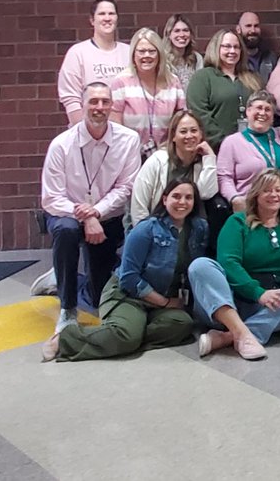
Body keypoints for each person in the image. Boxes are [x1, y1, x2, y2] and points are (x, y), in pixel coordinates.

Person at [42, 177, 207, 362]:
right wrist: (166, 303)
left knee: (182, 325)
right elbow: (129, 278)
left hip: (161, 299)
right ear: (165, 199)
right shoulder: (146, 229)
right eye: (176, 196)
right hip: (129, 296)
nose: (182, 202)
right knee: (127, 334)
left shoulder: (199, 229)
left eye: (188, 197)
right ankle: (66, 340)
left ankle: (127, 337)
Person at [40, 82, 141, 332]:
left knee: (98, 298)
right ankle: (68, 307)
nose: (99, 107)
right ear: (83, 105)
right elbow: (51, 198)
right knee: (66, 231)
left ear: (111, 105)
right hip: (66, 214)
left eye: (105, 102)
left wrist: (96, 211)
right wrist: (85, 215)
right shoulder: (61, 144)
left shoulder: (128, 140)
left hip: (107, 217)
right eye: (93, 102)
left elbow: (126, 187)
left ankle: (63, 278)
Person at [187, 169, 280, 359]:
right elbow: (228, 263)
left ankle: (228, 337)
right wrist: (258, 293)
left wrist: (271, 296)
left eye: (278, 190)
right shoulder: (237, 222)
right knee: (201, 265)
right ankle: (243, 335)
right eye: (267, 190)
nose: (274, 195)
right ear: (256, 194)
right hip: (227, 302)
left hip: (270, 302)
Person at [217, 90, 280, 220]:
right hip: (253, 205)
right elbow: (224, 177)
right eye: (259, 108)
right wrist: (234, 198)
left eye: (268, 109)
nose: (262, 113)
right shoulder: (232, 142)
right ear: (248, 111)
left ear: (273, 116)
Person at [129, 110, 218, 225]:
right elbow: (139, 207)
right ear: (173, 136)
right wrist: (146, 235)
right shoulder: (157, 161)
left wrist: (210, 157)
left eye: (194, 131)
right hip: (153, 229)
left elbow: (205, 194)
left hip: (188, 229)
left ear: (201, 134)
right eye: (183, 131)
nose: (189, 136)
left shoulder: (203, 163)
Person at [110, 27, 187, 158]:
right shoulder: (121, 82)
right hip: (130, 156)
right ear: (133, 55)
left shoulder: (173, 82)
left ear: (159, 54)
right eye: (141, 51)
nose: (146, 55)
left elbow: (181, 120)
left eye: (152, 51)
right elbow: (115, 127)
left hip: (166, 157)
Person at [57, 0, 131, 125]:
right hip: (89, 132)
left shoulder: (129, 52)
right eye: (102, 14)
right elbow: (70, 97)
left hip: (125, 133)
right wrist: (83, 130)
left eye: (111, 14)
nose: (107, 18)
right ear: (92, 20)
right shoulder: (77, 53)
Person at [185, 29, 261, 151]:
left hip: (254, 147)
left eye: (236, 47)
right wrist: (224, 142)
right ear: (216, 48)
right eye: (227, 46)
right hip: (216, 148)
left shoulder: (253, 78)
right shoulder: (203, 77)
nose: (232, 51)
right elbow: (199, 114)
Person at [162, 14, 201, 91]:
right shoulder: (162, 58)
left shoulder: (197, 58)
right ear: (169, 34)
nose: (182, 35)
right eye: (177, 31)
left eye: (186, 30)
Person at [237, 11, 277, 84]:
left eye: (256, 26)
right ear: (238, 29)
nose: (253, 30)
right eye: (248, 26)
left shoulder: (270, 57)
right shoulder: (235, 58)